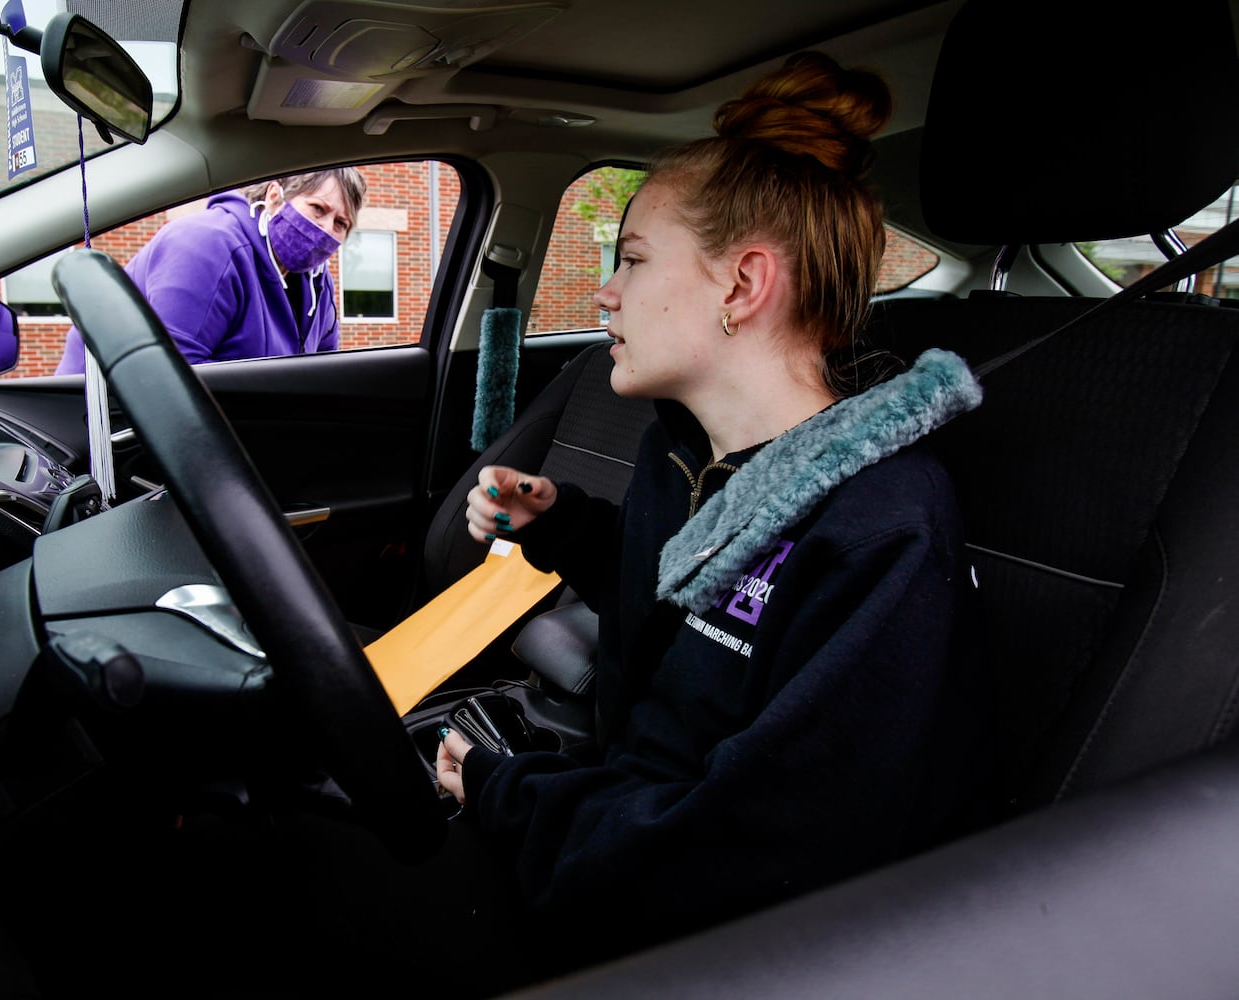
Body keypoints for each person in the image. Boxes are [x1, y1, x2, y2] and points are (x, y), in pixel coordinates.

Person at [436, 50, 992, 972]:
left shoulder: (883, 526)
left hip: (721, 939)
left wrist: (508, 793)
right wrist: (564, 523)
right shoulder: (685, 451)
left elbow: (759, 849)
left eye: (634, 259)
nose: (604, 293)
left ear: (741, 287)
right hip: (617, 830)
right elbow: (678, 608)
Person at [54, 168, 365, 374]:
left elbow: (321, 369)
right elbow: (172, 378)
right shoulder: (207, 245)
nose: (324, 229)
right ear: (274, 196)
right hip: (107, 430)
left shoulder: (317, 284)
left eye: (341, 224)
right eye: (318, 209)